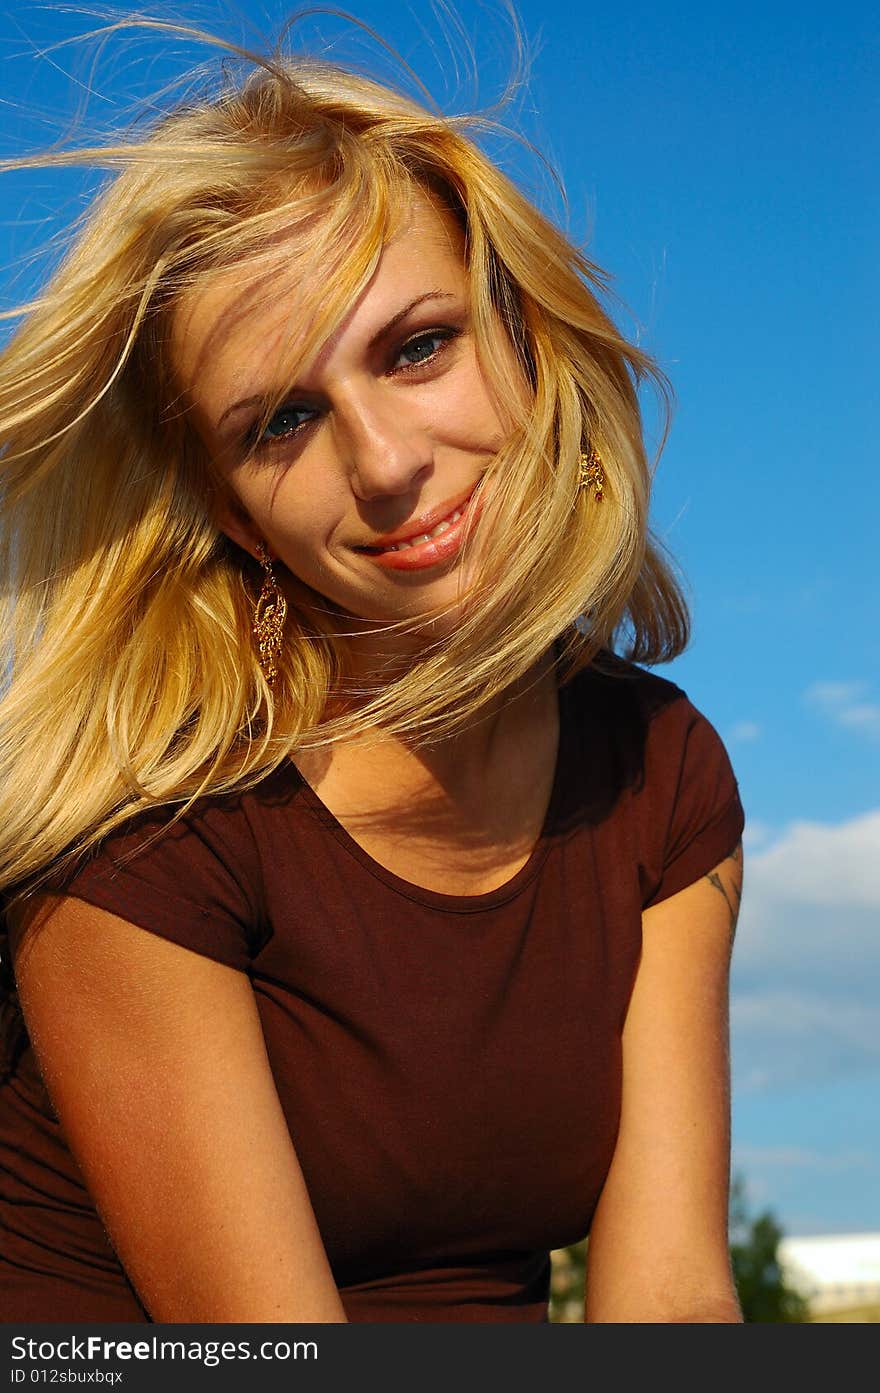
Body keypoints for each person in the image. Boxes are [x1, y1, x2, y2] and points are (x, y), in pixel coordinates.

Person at [0, 23, 745, 1324]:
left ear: (518, 336)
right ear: (232, 511)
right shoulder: (150, 834)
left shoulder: (660, 774)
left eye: (416, 347)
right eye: (282, 420)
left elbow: (672, 1299)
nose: (386, 460)